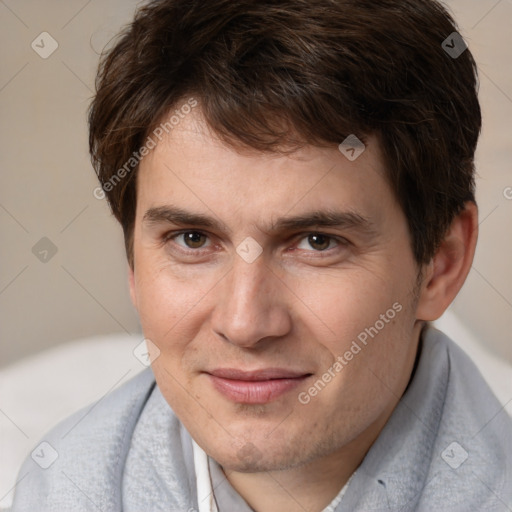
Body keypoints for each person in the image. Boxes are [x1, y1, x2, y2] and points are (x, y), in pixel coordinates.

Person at [11, 0, 512, 510]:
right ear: (134, 267)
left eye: (317, 242)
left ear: (441, 265)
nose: (245, 323)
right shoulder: (54, 489)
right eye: (192, 239)